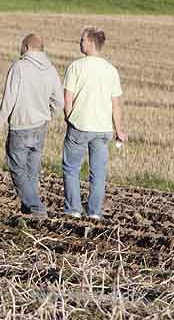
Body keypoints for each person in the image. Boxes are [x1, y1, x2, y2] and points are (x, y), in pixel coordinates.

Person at [0, 34, 64, 218]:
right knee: (32, 172)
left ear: (26, 47)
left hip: (20, 126)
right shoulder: (51, 69)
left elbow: (9, 99)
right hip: (40, 126)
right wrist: (48, 115)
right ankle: (28, 211)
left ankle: (36, 208)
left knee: (17, 170)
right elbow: (59, 102)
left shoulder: (19, 67)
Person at [61, 27, 127, 220]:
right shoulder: (111, 70)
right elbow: (116, 104)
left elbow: (67, 99)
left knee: (71, 169)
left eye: (82, 40)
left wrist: (69, 117)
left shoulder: (75, 67)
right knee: (97, 173)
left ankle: (73, 210)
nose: (79, 43)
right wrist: (119, 130)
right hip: (102, 129)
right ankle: (95, 213)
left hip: (79, 125)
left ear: (90, 43)